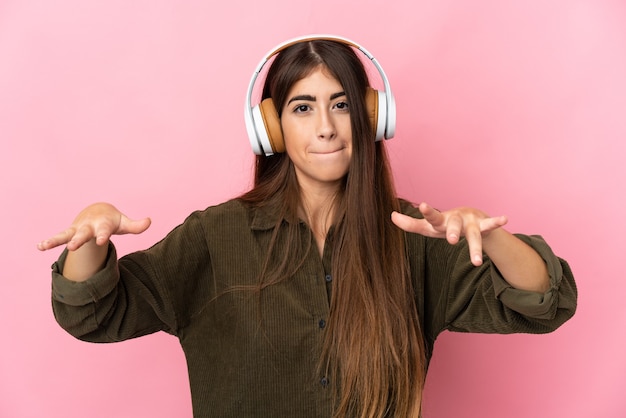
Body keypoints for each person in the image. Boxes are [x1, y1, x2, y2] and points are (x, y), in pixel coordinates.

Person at [38, 35, 577, 418]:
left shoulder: (414, 235)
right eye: (302, 108)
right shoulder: (213, 237)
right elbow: (94, 314)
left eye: (341, 105)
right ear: (271, 127)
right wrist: (92, 239)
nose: (325, 127)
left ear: (370, 117)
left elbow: (544, 302)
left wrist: (493, 235)